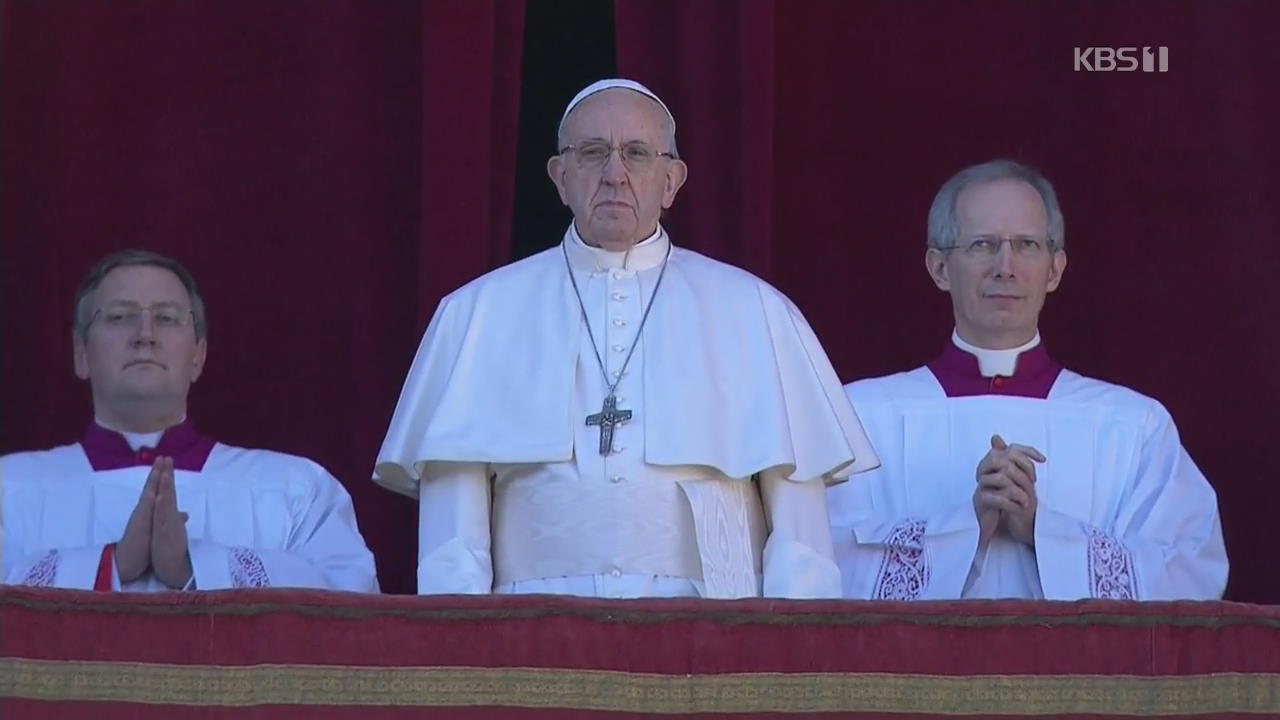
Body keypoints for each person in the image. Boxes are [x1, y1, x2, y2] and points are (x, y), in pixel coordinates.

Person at [374, 78, 878, 599]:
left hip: (710, 638)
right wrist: (464, 657)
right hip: (532, 639)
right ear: (560, 177)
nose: (615, 174)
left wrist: (787, 661)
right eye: (593, 153)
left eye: (636, 154)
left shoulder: (755, 311)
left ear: (671, 181)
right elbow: (451, 545)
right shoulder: (477, 314)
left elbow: (802, 545)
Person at [828, 159, 1227, 600]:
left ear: (1054, 269)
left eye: (1027, 245)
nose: (1006, 266)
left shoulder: (1133, 426)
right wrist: (967, 528)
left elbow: (1189, 574)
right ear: (939, 268)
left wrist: (1041, 530)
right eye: (982, 245)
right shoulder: (859, 419)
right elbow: (819, 568)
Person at [1, 250, 379, 592]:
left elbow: (350, 608)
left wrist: (194, 565)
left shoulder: (294, 489)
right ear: (81, 353)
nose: (144, 336)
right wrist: (111, 564)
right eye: (119, 317)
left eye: (167, 318)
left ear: (198, 356)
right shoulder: (10, 489)